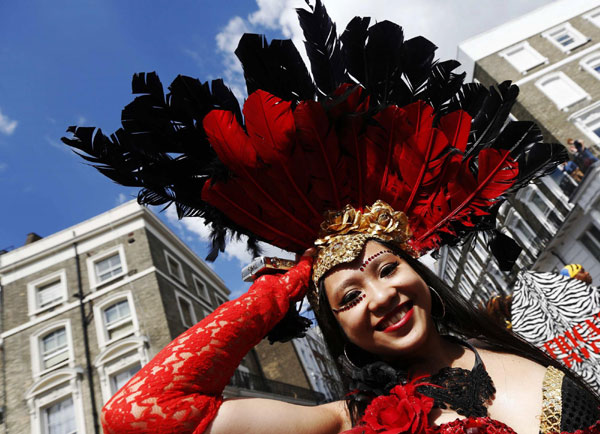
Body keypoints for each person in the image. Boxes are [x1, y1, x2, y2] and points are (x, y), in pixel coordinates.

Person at [63, 2, 600, 433]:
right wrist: (292, 280)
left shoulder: (530, 335)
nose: (382, 296)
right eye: (348, 297)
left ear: (420, 273)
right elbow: (135, 414)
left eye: (387, 269)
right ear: (338, 329)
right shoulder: (347, 422)